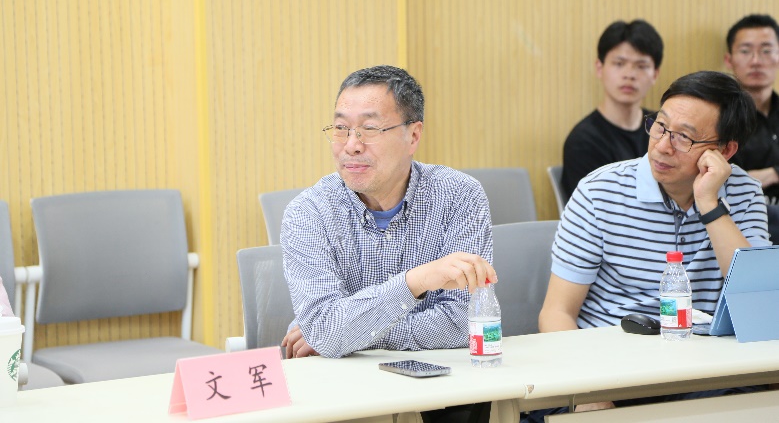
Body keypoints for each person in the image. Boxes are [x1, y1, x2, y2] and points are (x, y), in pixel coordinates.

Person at [534, 71, 768, 418]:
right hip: (608, 373)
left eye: (684, 137)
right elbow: (556, 312)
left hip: (705, 374)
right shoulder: (599, 192)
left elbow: (758, 303)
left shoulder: (744, 192)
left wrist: (709, 204)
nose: (662, 146)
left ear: (725, 150)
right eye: (660, 126)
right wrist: (586, 391)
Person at [281, 65, 496, 422]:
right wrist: (416, 282)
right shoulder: (308, 212)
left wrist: (349, 334)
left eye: (370, 129)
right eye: (341, 129)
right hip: (339, 390)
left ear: (413, 135)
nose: (351, 145)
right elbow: (325, 329)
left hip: (440, 389)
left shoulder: (460, 196)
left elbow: (466, 321)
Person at [561, 19, 663, 201]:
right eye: (619, 63)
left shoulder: (664, 129)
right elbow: (594, 208)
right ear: (599, 68)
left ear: (655, 74)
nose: (629, 75)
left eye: (641, 66)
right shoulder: (583, 141)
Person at [724, 14, 779, 241]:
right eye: (746, 51)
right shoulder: (721, 119)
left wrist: (773, 173)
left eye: (766, 50)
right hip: (744, 226)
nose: (756, 61)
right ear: (729, 60)